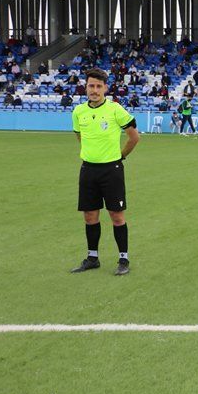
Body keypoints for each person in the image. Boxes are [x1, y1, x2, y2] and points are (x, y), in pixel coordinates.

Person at [69, 68, 141, 276]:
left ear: (105, 88)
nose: (94, 90)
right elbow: (80, 136)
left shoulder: (116, 109)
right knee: (90, 215)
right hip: (88, 169)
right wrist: (90, 153)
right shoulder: (78, 112)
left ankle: (123, 259)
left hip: (112, 170)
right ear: (86, 87)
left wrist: (120, 156)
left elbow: (134, 137)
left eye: (99, 86)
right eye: (91, 85)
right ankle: (92, 258)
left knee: (116, 216)